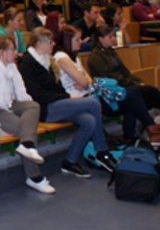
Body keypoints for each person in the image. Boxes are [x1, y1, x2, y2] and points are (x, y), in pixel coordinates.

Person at [17, 27, 117, 177]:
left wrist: (66, 96)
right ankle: (102, 151)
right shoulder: (27, 63)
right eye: (49, 42)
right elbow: (38, 95)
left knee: (89, 121)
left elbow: (57, 87)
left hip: (57, 104)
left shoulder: (46, 59)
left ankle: (69, 162)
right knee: (93, 103)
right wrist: (68, 98)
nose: (53, 44)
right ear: (38, 43)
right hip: (44, 108)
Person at [0, 36, 53, 194]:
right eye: (12, 49)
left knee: (33, 106)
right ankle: (34, 177)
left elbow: (20, 93)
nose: (16, 53)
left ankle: (27, 145)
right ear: (1, 52)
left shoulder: (11, 67)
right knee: (26, 129)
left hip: (8, 104)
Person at [55, 25, 159, 144]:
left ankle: (142, 133)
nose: (81, 42)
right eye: (77, 39)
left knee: (134, 96)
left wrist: (83, 81)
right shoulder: (61, 57)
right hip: (83, 99)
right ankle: (150, 130)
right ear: (67, 40)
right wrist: (84, 81)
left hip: (90, 94)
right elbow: (85, 81)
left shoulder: (74, 57)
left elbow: (88, 80)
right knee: (131, 95)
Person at [89, 24, 160, 113]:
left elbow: (125, 71)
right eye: (110, 37)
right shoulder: (95, 57)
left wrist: (138, 82)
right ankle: (148, 121)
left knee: (147, 92)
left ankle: (147, 120)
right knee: (151, 92)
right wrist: (133, 83)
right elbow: (110, 78)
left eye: (113, 36)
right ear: (101, 39)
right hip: (112, 90)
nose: (113, 39)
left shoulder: (111, 51)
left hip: (123, 84)